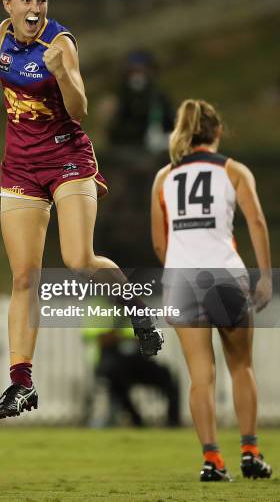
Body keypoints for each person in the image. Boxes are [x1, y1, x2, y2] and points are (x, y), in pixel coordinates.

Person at [0, 0, 163, 420]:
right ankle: (21, 382)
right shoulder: (4, 33)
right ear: (9, 6)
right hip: (19, 166)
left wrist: (64, 77)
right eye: (27, 1)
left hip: (67, 158)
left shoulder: (60, 46)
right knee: (24, 279)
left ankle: (133, 306)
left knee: (80, 260)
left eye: (42, 2)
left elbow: (80, 109)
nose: (36, 9)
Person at [151, 99, 272, 481]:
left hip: (182, 280)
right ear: (217, 132)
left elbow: (160, 243)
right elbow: (256, 221)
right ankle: (251, 453)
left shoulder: (163, 177)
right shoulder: (234, 171)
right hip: (224, 275)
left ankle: (212, 460)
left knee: (200, 376)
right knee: (241, 366)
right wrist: (265, 275)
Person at [109, 49, 174, 152]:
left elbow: (172, 121)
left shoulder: (158, 96)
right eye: (133, 71)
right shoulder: (122, 98)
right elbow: (117, 133)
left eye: (140, 71)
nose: (137, 76)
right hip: (131, 149)